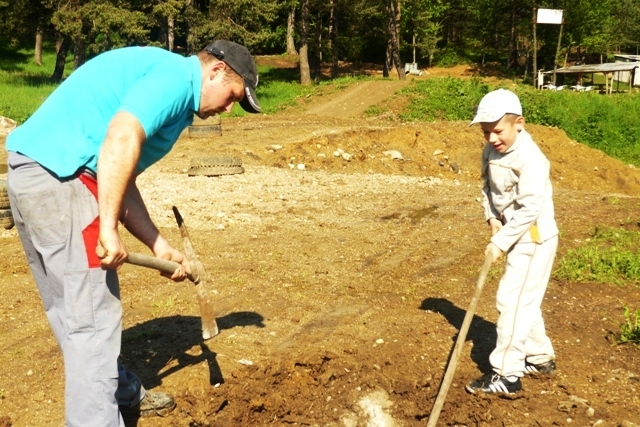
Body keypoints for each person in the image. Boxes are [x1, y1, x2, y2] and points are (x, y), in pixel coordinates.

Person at [5, 40, 260, 426]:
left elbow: (118, 175)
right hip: (65, 182)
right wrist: (107, 228)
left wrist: (159, 246)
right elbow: (121, 138)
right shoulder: (176, 79)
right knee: (91, 323)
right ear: (216, 71)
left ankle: (120, 391)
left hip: (33, 174)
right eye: (232, 97)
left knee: (73, 313)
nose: (228, 109)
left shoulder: (170, 86)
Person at [465, 89, 559, 395]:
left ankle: (507, 375)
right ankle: (540, 357)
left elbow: (530, 209)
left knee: (512, 301)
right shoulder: (491, 151)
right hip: (513, 234)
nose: (492, 138)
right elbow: (486, 187)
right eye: (486, 132)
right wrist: (492, 217)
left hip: (533, 238)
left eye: (497, 131)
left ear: (519, 123)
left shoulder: (531, 159)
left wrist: (500, 242)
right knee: (524, 300)